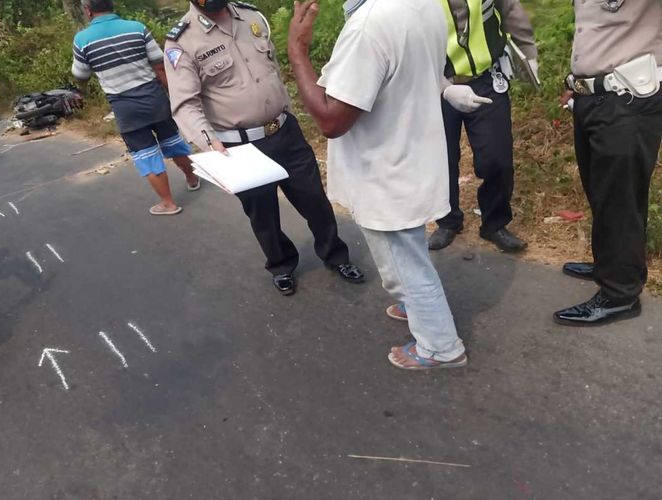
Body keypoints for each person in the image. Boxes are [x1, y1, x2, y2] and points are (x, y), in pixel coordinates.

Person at [288, 0, 492, 368]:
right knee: (396, 251)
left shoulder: (370, 24)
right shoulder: (423, 5)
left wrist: (297, 53)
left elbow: (331, 120)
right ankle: (412, 303)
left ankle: (441, 347)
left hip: (385, 166)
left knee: (406, 258)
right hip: (407, 153)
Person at [163, 0, 364, 296]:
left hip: (285, 132)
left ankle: (335, 255)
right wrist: (209, 141)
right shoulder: (182, 41)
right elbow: (185, 103)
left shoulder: (251, 16)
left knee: (315, 201)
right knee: (263, 215)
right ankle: (281, 265)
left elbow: (271, 70)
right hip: (238, 147)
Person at [554, 0, 662, 326]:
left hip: (629, 98)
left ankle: (620, 294)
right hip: (591, 97)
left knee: (620, 199)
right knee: (603, 191)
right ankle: (611, 264)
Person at [427, 0, 537, 253]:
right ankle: (447, 220)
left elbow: (510, 9)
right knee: (442, 158)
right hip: (439, 84)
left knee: (497, 158)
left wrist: (528, 53)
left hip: (487, 78)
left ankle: (495, 223)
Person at [71, 0, 199, 216]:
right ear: (111, 5)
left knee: (146, 154)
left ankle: (168, 203)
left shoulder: (82, 39)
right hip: (155, 99)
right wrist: (176, 97)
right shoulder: (136, 28)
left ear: (88, 10)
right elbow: (159, 64)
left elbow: (80, 75)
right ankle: (192, 178)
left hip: (125, 107)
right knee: (173, 142)